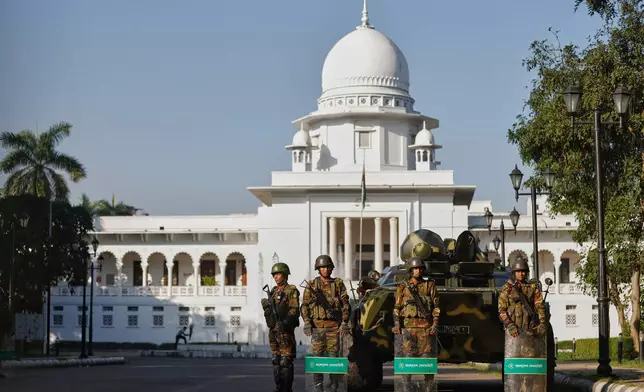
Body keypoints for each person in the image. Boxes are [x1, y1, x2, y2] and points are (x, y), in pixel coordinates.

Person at [301, 255, 351, 392]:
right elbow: (304, 306)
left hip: (334, 327)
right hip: (317, 328)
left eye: (328, 267)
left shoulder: (338, 284)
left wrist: (344, 322)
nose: (325, 269)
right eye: (323, 267)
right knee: (317, 360)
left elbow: (346, 304)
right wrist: (306, 322)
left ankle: (334, 386)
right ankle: (318, 388)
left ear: (332, 268)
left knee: (333, 360)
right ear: (318, 269)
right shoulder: (312, 285)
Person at [392, 257, 440, 391]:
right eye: (415, 268)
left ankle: (429, 388)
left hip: (426, 328)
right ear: (410, 270)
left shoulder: (429, 285)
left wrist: (434, 324)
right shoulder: (402, 287)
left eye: (420, 268)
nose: (418, 271)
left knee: (427, 361)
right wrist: (397, 324)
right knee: (408, 360)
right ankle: (406, 387)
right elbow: (397, 308)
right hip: (408, 329)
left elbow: (436, 307)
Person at [261, 262, 300, 392]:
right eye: (274, 275)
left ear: (285, 275)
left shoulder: (291, 290)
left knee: (285, 362)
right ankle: (279, 388)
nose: (276, 277)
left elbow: (294, 311)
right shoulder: (272, 291)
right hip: (273, 332)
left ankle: (287, 389)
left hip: (285, 332)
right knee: (276, 360)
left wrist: (284, 323)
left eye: (278, 274)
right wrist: (266, 306)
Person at [498, 257, 547, 338]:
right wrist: (509, 324)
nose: (521, 274)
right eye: (518, 271)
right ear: (514, 273)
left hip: (530, 329)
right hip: (513, 331)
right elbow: (501, 310)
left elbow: (540, 306)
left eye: (523, 271)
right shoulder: (508, 288)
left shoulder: (532, 288)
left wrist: (542, 323)